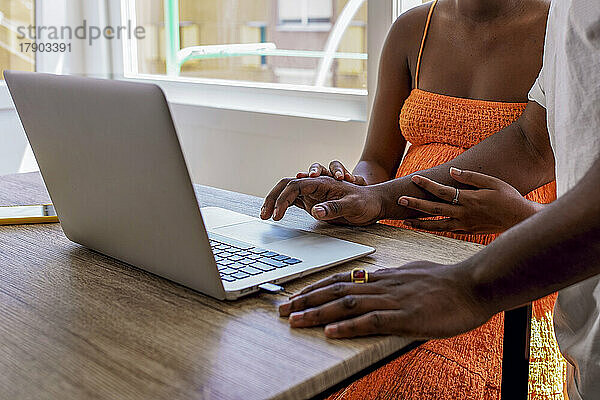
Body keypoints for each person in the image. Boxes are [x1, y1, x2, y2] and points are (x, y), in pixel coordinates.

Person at [263, 0, 600, 398]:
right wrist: (369, 196)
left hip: (513, 265)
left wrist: (475, 279)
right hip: (412, 252)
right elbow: (529, 140)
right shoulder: (566, 14)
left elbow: (540, 153)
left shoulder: (556, 18)